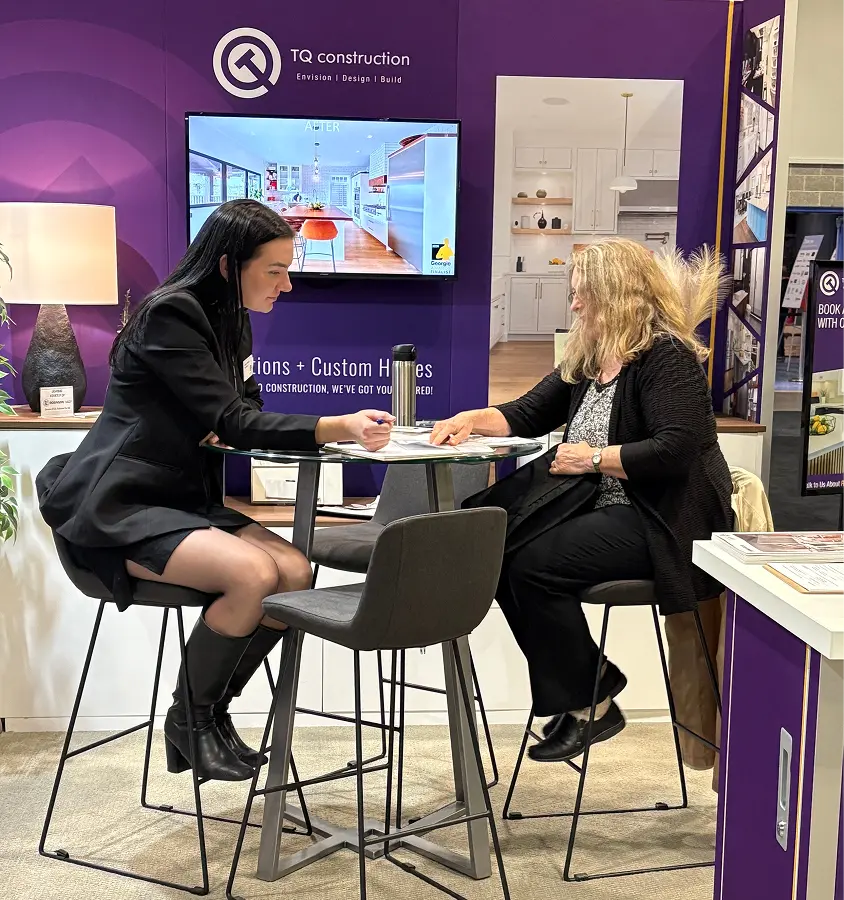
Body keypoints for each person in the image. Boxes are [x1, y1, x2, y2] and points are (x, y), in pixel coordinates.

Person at [37, 199, 394, 781]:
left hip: (179, 498)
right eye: (275, 270)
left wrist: (225, 413)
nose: (288, 283)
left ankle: (210, 712)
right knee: (251, 575)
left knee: (296, 572)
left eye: (288, 268)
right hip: (120, 504)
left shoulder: (230, 316)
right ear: (230, 265)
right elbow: (233, 419)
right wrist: (333, 425)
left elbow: (241, 404)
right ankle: (191, 719)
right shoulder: (172, 314)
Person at [431, 238, 732, 763]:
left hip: (663, 520)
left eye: (581, 295)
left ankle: (589, 702)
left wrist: (593, 459)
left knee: (534, 565)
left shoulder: (666, 357)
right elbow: (526, 413)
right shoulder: (592, 357)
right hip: (607, 510)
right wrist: (470, 419)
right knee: (499, 554)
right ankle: (585, 700)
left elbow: (675, 449)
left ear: (614, 295)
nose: (573, 306)